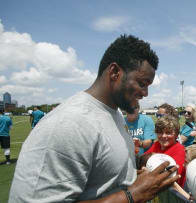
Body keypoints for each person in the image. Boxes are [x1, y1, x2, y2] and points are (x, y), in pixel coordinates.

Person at [9, 35, 179, 202]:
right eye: (142, 83)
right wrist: (132, 195)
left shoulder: (115, 114)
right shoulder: (67, 123)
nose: (145, 93)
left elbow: (105, 176)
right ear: (114, 72)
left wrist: (140, 162)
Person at [145, 115, 186, 187]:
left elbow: (172, 175)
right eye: (160, 132)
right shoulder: (156, 144)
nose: (163, 136)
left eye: (168, 133)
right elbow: (143, 159)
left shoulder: (179, 149)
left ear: (176, 135)